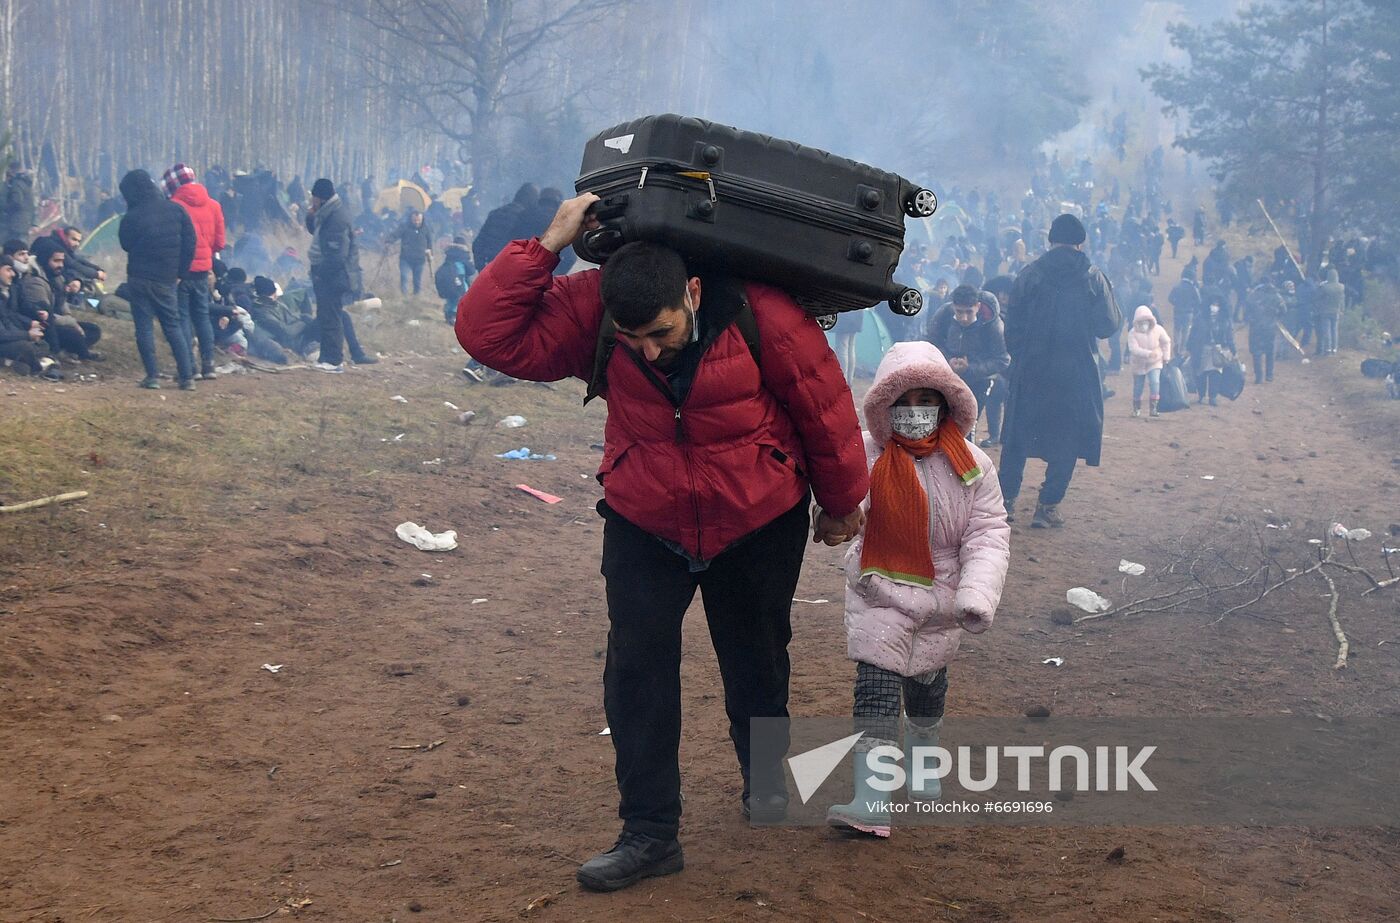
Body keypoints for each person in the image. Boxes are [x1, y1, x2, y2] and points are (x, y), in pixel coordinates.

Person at [456, 193, 869, 892]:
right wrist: (546, 245)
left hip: (756, 515)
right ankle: (649, 832)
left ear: (694, 292)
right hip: (644, 513)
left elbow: (823, 405)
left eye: (662, 332)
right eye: (633, 337)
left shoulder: (760, 312)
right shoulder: (595, 309)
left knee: (757, 658)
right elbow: (485, 334)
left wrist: (840, 502)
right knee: (637, 671)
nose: (647, 348)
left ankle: (765, 777)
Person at [825, 342, 1009, 837]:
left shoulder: (972, 464)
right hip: (879, 589)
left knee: (927, 687)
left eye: (925, 401)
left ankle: (924, 767)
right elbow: (839, 501)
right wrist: (835, 520)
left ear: (947, 404)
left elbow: (988, 532)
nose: (913, 413)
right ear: (885, 407)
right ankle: (871, 799)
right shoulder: (863, 456)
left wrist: (975, 594)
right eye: (902, 403)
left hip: (944, 596)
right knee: (877, 689)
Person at [998, 214, 1121, 529]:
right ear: (1081, 243)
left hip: (1032, 369)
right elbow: (1109, 324)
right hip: (1075, 371)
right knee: (1067, 436)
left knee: (1017, 436)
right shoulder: (1093, 276)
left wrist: (1022, 356)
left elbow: (1011, 325)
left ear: (1050, 241)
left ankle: (1004, 504)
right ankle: (1047, 507)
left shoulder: (1029, 274)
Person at [119, 169, 197, 389]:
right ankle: (187, 377)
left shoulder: (131, 216)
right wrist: (181, 272)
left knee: (143, 328)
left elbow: (125, 244)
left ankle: (152, 376)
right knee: (172, 326)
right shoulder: (176, 210)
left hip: (138, 277)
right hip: (167, 278)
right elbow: (190, 243)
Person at [164, 164, 227, 380]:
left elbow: (170, 241)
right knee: (202, 316)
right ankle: (209, 365)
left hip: (180, 271)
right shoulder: (214, 205)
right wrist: (206, 253)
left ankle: (189, 367)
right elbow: (220, 242)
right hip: (203, 270)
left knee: (182, 317)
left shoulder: (172, 206)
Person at [928, 285, 1009, 440]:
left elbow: (1003, 359)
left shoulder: (993, 324)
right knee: (940, 423)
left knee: (967, 427)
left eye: (969, 312)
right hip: (947, 375)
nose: (964, 318)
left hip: (979, 380)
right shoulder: (944, 315)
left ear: (977, 307)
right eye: (959, 312)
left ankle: (969, 463)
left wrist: (970, 369)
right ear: (953, 307)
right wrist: (947, 361)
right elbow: (931, 342)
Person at [305, 179, 363, 372]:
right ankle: (326, 357)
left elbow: (337, 255)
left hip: (333, 276)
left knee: (331, 316)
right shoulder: (326, 212)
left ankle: (334, 360)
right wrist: (310, 216)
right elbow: (317, 232)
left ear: (320, 197)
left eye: (313, 197)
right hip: (326, 273)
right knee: (325, 315)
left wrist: (321, 274)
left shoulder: (336, 217)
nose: (311, 200)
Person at [0, 259, 62, 379]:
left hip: (8, 337)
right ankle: (40, 368)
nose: (13, 274)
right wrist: (26, 335)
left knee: (42, 344)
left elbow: (10, 316)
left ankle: (10, 362)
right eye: (8, 270)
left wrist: (30, 324)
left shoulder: (7, 292)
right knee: (25, 347)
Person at [472, 183, 537, 272]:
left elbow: (478, 243)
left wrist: (481, 267)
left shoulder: (495, 214)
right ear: (531, 200)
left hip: (493, 265)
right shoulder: (527, 219)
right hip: (513, 269)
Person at [1125, 305, 1172, 417]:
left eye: (1146, 321)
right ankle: (1137, 409)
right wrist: (1148, 354)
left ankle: (1154, 408)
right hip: (1138, 363)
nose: (1144, 324)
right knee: (1138, 387)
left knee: (1155, 382)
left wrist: (1166, 356)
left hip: (1155, 361)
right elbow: (1133, 349)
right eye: (1141, 321)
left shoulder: (1158, 329)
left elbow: (1166, 342)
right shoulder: (1132, 333)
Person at [1186, 299, 1234, 406]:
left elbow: (1229, 336)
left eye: (1217, 304)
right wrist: (1189, 347)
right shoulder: (1200, 318)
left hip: (1217, 351)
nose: (1214, 307)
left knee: (1215, 374)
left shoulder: (1224, 320)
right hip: (1202, 350)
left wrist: (1232, 349)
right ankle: (1201, 396)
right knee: (1200, 374)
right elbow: (1193, 333)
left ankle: (1213, 397)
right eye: (1213, 304)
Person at [1245, 280, 1285, 384]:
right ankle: (1269, 375)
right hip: (1270, 328)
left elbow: (1246, 311)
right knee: (1270, 352)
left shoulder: (1253, 295)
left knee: (1256, 353)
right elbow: (1284, 310)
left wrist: (1250, 319)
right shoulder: (1276, 295)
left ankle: (1259, 377)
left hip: (1256, 328)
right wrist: (1276, 317)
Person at [436, 234, 475, 324]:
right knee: (460, 297)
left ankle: (448, 313)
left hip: (449, 280)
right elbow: (471, 270)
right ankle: (454, 316)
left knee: (451, 298)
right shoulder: (464, 255)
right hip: (460, 279)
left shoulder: (449, 254)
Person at [392, 210, 433, 295]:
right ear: (411, 219)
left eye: (419, 220)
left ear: (422, 219)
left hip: (420, 260)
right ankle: (404, 298)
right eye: (415, 220)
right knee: (404, 278)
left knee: (417, 281)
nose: (417, 222)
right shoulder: (404, 227)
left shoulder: (426, 228)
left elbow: (429, 242)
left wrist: (430, 253)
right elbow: (395, 235)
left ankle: (416, 298)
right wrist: (388, 242)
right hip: (405, 259)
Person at [1313, 267, 1345, 356]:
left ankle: (1328, 349)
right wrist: (1342, 309)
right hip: (1336, 311)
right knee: (1334, 330)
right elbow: (1342, 299)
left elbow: (1317, 297)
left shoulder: (1324, 287)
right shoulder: (1341, 287)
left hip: (1325, 311)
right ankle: (1334, 349)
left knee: (1326, 330)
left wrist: (1319, 286)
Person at [1, 164, 36, 242]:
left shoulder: (16, 184)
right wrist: (34, 223)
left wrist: (4, 208)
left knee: (13, 248)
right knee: (22, 248)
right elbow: (33, 207)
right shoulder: (26, 185)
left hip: (15, 224)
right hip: (24, 224)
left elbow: (16, 202)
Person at [832, 308, 865, 385]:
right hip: (857, 313)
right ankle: (849, 381)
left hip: (845, 314)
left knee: (842, 348)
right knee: (851, 347)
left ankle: (842, 380)